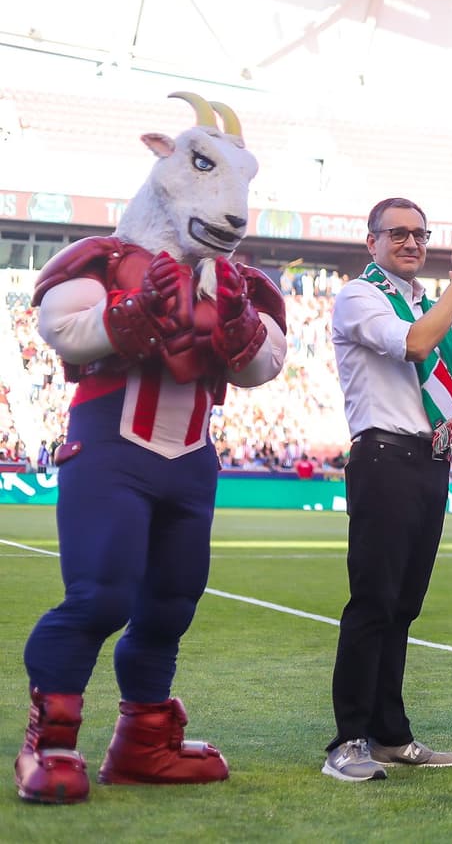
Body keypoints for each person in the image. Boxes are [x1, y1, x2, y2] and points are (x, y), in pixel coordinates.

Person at [16, 93, 286, 804]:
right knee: (99, 596)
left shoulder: (238, 279)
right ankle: (52, 742)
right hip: (112, 446)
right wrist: (133, 313)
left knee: (169, 605)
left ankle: (142, 740)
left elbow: (267, 364)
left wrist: (240, 330)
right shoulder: (105, 258)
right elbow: (61, 325)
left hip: (191, 457)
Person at [323, 197, 452, 781]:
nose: (410, 243)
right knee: (372, 602)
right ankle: (347, 741)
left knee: (402, 607)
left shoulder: (430, 303)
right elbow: (416, 344)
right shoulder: (360, 295)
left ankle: (390, 736)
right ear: (370, 241)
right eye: (397, 233)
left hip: (429, 461)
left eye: (419, 234)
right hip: (383, 456)